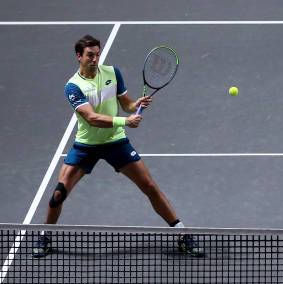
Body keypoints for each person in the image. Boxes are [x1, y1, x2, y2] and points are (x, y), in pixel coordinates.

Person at [33, 35, 203, 258]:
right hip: (87, 145)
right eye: (90, 55)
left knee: (149, 186)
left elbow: (126, 104)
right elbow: (92, 118)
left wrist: (136, 105)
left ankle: (182, 235)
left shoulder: (112, 73)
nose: (95, 59)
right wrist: (126, 121)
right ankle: (46, 235)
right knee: (58, 194)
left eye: (97, 54)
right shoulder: (73, 86)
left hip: (115, 142)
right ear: (79, 57)